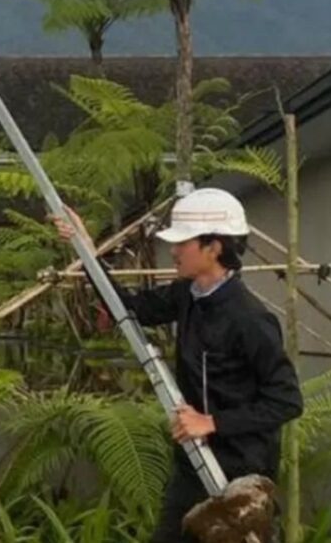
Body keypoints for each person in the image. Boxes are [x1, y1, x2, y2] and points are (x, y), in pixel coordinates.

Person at [53, 188, 303, 542]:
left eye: (183, 242)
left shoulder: (250, 319)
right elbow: (127, 306)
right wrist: (87, 249)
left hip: (241, 477)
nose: (174, 250)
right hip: (193, 463)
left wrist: (211, 422)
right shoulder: (186, 295)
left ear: (214, 247)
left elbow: (287, 400)